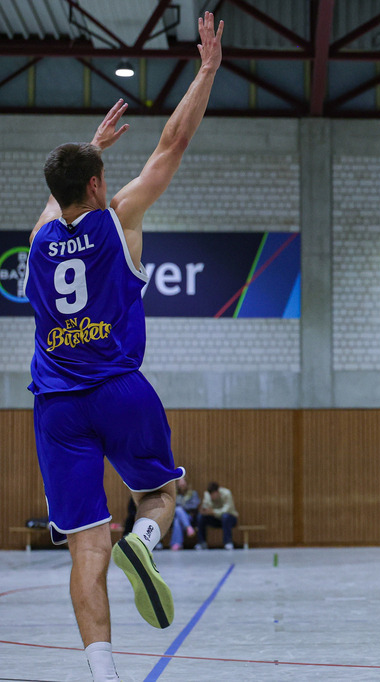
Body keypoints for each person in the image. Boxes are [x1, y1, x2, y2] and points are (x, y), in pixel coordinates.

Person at [24, 13, 222, 681]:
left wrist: (87, 148)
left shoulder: (38, 240)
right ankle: (143, 540)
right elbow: (172, 143)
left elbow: (61, 196)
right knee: (162, 494)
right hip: (118, 390)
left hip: (56, 406)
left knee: (84, 545)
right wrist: (206, 71)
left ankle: (103, 674)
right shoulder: (119, 217)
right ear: (100, 186)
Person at [196, 482, 238, 550]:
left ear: (218, 491)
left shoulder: (227, 493)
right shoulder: (207, 494)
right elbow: (205, 506)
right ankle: (202, 542)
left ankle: (228, 542)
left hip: (230, 519)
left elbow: (227, 509)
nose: (212, 497)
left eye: (213, 494)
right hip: (215, 519)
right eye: (211, 495)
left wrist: (213, 512)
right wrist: (204, 510)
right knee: (200, 517)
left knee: (225, 516)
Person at [170, 476, 200, 550]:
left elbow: (194, 505)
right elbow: (172, 506)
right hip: (176, 516)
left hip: (190, 516)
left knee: (179, 510)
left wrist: (183, 506)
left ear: (186, 484)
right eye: (180, 483)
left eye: (183, 483)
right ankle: (188, 528)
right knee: (177, 519)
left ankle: (176, 544)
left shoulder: (193, 494)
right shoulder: (175, 495)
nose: (181, 485)